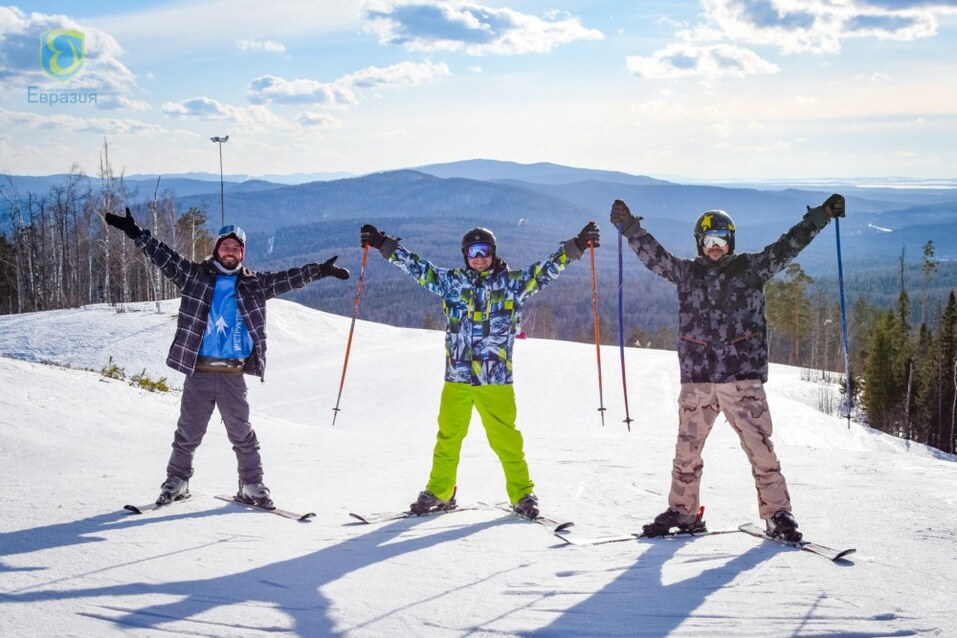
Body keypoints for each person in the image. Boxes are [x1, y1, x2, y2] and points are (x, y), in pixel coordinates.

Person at [610, 194, 846, 542]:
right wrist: (630, 228)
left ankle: (778, 514)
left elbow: (787, 247)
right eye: (708, 240)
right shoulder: (686, 273)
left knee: (760, 449)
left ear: (731, 241)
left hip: (742, 378)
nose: (715, 247)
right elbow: (655, 257)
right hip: (699, 378)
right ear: (699, 243)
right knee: (686, 452)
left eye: (721, 239)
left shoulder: (751, 268)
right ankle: (683, 512)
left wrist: (821, 217)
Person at [104, 208, 350, 508]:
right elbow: (163, 256)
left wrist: (319, 270)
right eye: (225, 246)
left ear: (242, 253)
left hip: (233, 375)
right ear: (217, 249)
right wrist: (136, 233)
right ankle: (177, 482)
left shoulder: (253, 284)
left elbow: (288, 278)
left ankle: (252, 485)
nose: (230, 252)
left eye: (236, 248)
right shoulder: (194, 276)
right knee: (188, 433)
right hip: (199, 372)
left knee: (242, 435)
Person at [359, 221, 601, 519]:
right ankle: (441, 491)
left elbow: (546, 270)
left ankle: (523, 494)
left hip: (495, 379)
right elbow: (418, 268)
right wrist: (383, 243)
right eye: (473, 251)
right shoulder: (452, 283)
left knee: (506, 440)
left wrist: (577, 245)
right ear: (465, 254)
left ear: (493, 252)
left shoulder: (512, 284)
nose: (479, 257)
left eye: (484, 250)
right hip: (457, 377)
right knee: (448, 437)